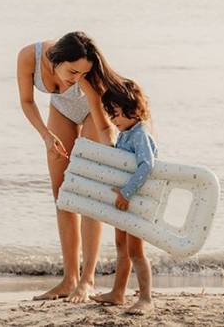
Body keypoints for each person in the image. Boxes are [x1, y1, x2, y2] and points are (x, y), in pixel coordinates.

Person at [15, 31, 123, 302]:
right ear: (56, 59)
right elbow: (26, 101)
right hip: (62, 109)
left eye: (82, 74)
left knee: (86, 193)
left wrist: (112, 150)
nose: (76, 78)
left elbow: (102, 119)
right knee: (62, 195)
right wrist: (45, 135)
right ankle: (69, 279)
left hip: (93, 112)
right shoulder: (28, 57)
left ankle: (88, 280)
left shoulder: (86, 74)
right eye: (72, 72)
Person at [91, 78, 157, 315]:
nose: (113, 120)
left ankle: (146, 298)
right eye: (111, 115)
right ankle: (117, 293)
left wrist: (127, 193)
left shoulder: (140, 133)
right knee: (121, 246)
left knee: (136, 251)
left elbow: (147, 165)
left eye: (117, 114)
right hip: (123, 201)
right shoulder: (125, 133)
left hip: (135, 200)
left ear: (133, 109)